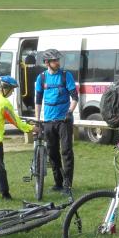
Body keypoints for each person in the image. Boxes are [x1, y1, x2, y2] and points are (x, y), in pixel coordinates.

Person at [34, 49, 78, 195]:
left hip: (64, 120)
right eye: (54, 60)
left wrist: (69, 112)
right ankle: (58, 183)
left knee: (66, 152)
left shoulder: (66, 76)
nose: (58, 62)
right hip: (48, 121)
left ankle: (67, 185)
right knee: (52, 153)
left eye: (58, 60)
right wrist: (37, 119)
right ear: (47, 63)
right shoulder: (41, 78)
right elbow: (38, 100)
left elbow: (75, 98)